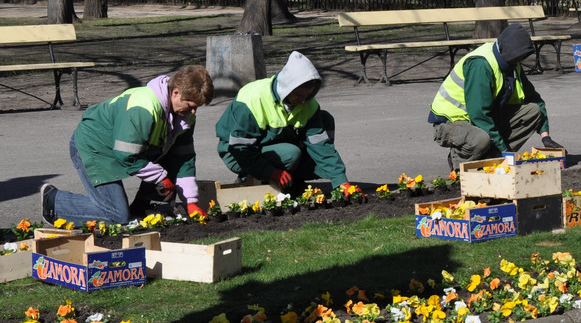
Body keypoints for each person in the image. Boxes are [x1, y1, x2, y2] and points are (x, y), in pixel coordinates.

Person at [41, 65, 215, 225]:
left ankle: (140, 209)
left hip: (124, 148)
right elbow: (126, 155)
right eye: (191, 105)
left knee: (170, 161)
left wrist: (191, 201)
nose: (193, 112)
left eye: (197, 107)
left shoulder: (185, 117)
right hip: (94, 146)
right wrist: (160, 177)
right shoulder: (143, 109)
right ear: (176, 92)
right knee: (118, 216)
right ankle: (55, 202)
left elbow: (183, 159)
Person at [216, 51, 351, 192]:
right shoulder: (252, 99)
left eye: (307, 95)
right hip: (235, 152)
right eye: (299, 95)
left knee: (325, 119)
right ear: (287, 88)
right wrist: (271, 172)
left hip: (272, 144)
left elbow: (321, 145)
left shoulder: (308, 104)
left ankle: (292, 181)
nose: (303, 100)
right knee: (291, 153)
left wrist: (341, 181)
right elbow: (240, 148)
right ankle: (251, 179)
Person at [430, 24, 561, 169]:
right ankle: (459, 161)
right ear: (510, 52)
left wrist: (545, 136)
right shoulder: (481, 64)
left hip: (482, 118)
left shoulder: (512, 63)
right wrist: (503, 149)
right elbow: (479, 114)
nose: (521, 60)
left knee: (533, 111)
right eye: (519, 56)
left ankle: (490, 156)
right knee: (481, 139)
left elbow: (533, 98)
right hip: (451, 122)